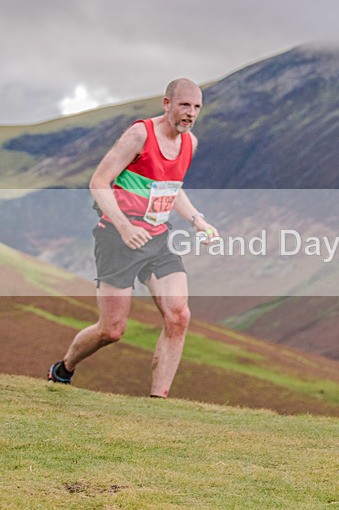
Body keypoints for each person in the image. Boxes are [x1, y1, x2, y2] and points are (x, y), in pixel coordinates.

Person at [47, 78, 217, 398]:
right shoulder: (140, 134)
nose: (191, 113)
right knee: (111, 330)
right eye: (184, 105)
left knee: (179, 316)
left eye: (196, 107)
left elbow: (170, 188)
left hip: (158, 239)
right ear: (167, 104)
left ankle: (158, 402)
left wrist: (197, 219)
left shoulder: (189, 143)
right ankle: (64, 368)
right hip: (117, 238)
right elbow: (99, 182)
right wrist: (125, 227)